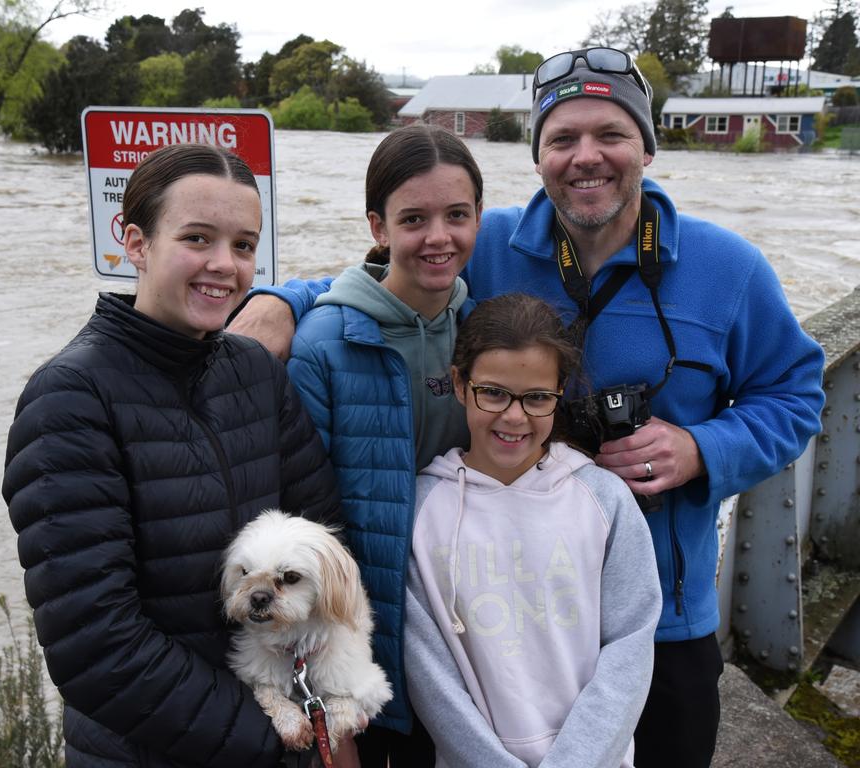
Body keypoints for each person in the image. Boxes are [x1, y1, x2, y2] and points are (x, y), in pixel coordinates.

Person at [228, 46, 826, 768]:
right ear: (537, 156)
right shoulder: (486, 242)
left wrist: (706, 449)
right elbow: (385, 276)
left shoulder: (728, 269)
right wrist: (276, 302)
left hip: (657, 621)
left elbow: (795, 394)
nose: (586, 158)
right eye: (562, 139)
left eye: (610, 134)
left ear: (647, 146)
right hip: (490, 624)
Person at [2, 143, 340, 768]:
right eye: (197, 238)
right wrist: (267, 737)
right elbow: (95, 647)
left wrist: (327, 703)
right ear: (134, 242)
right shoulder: (70, 399)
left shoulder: (256, 374)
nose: (224, 265)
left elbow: (323, 542)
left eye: (243, 245)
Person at [285, 123, 483, 767]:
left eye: (457, 215)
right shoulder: (323, 344)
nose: (438, 237)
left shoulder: (483, 334)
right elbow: (303, 525)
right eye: (413, 218)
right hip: (365, 634)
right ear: (378, 226)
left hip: (463, 625)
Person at [407, 292, 661, 767]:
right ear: (460, 384)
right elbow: (429, 673)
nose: (514, 416)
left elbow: (630, 644)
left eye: (537, 398)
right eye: (494, 393)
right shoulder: (421, 511)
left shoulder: (604, 499)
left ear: (559, 393)